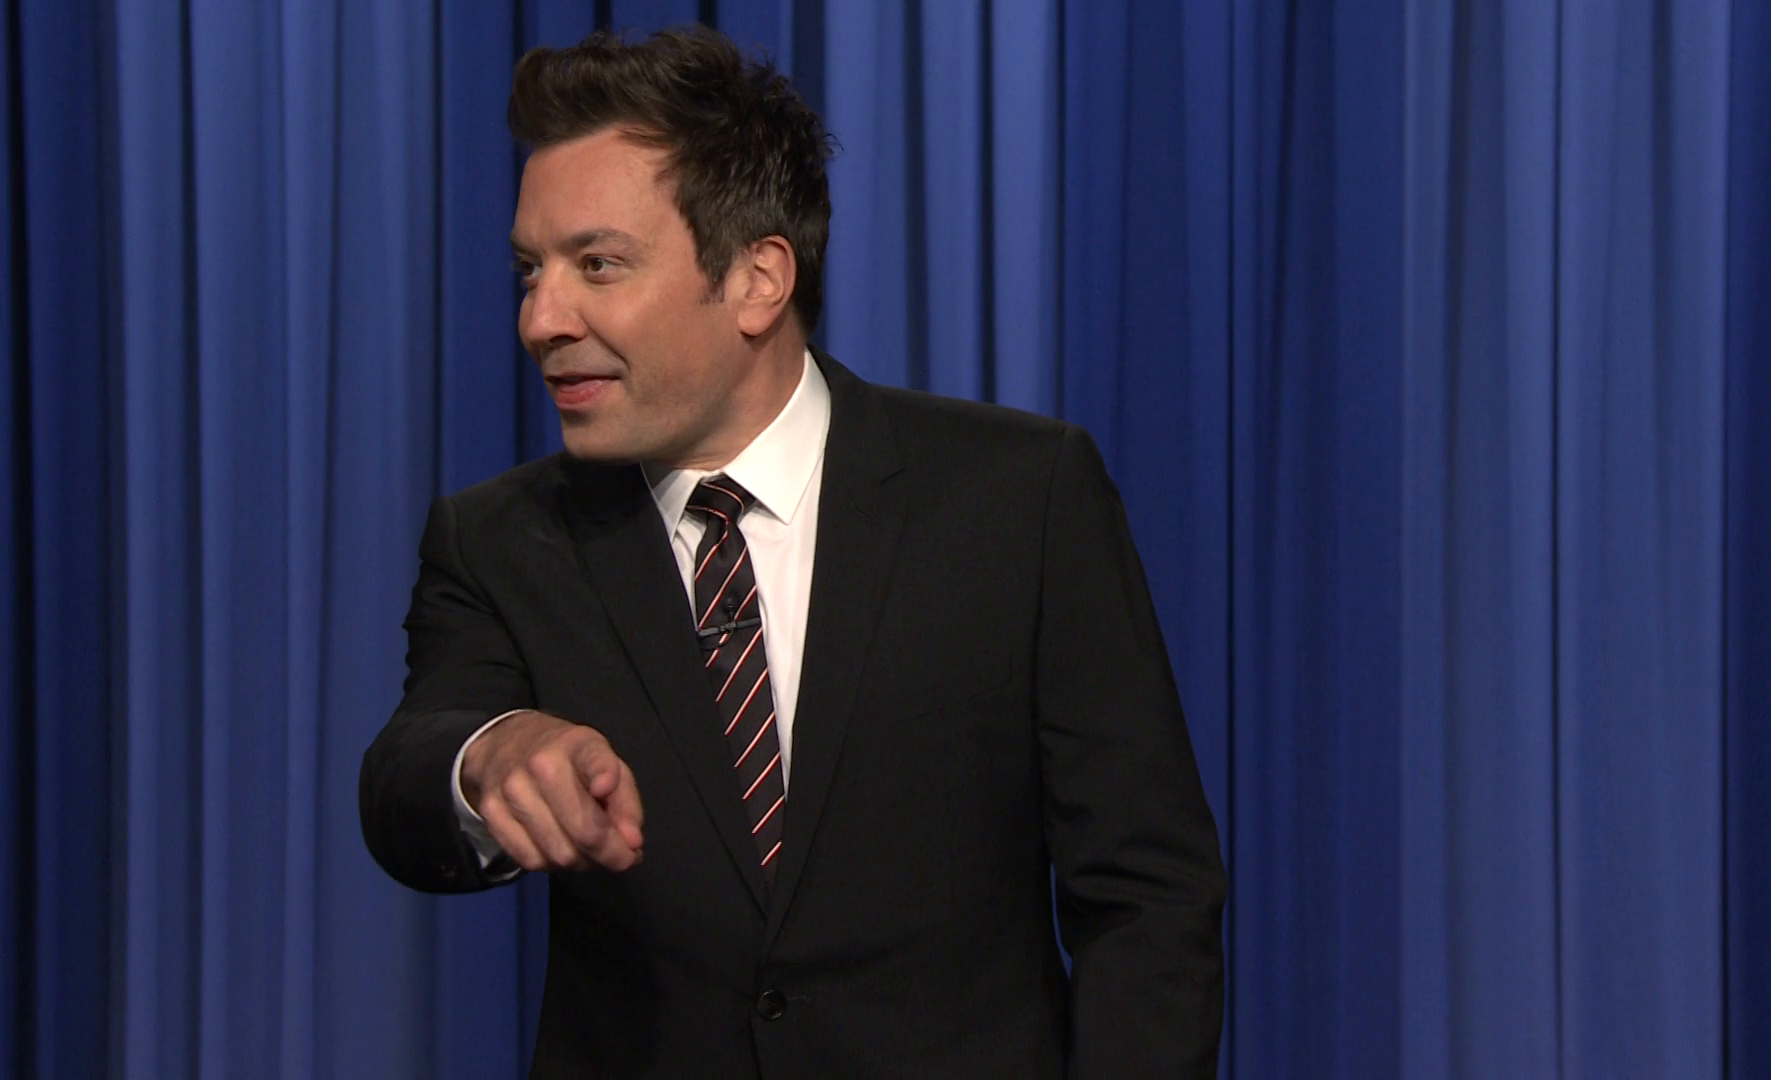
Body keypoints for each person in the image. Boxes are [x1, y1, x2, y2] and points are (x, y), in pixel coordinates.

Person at [359, 25, 1225, 1078]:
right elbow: (406, 780)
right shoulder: (500, 538)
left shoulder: (1019, 499)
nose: (542, 318)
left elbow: (1148, 897)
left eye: (598, 265)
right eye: (530, 270)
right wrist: (489, 752)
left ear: (758, 279)